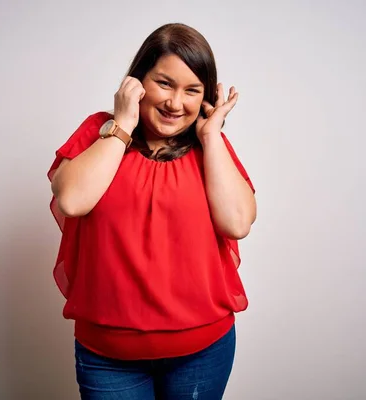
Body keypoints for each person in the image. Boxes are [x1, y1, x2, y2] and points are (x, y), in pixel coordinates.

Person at [48, 22, 257, 400]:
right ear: (137, 82)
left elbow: (237, 222)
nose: (176, 103)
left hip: (202, 351)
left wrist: (211, 136)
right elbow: (72, 200)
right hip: (108, 356)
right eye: (164, 83)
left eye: (191, 90)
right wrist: (124, 123)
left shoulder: (209, 146)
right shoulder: (101, 131)